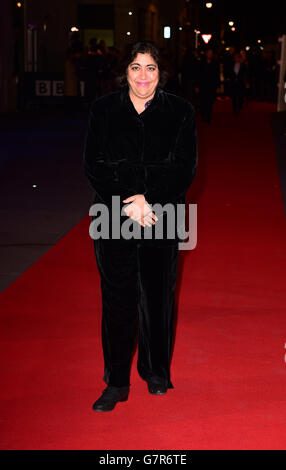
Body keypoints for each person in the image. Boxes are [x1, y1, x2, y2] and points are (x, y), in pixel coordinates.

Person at [83, 40, 198, 412]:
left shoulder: (180, 111)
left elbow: (184, 167)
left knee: (158, 296)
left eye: (150, 67)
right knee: (117, 300)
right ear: (125, 72)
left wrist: (147, 196)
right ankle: (116, 382)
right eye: (136, 67)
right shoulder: (103, 110)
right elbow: (94, 165)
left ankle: (156, 371)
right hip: (114, 217)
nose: (143, 76)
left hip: (162, 215)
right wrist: (127, 201)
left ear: (160, 72)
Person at [194, 48, 220, 123]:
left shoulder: (215, 63)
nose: (210, 54)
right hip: (202, 86)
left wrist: (218, 86)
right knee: (202, 101)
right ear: (206, 54)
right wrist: (196, 86)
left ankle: (208, 116)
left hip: (211, 86)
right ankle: (203, 114)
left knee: (210, 101)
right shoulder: (201, 63)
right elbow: (197, 75)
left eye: (211, 53)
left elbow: (217, 75)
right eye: (209, 53)